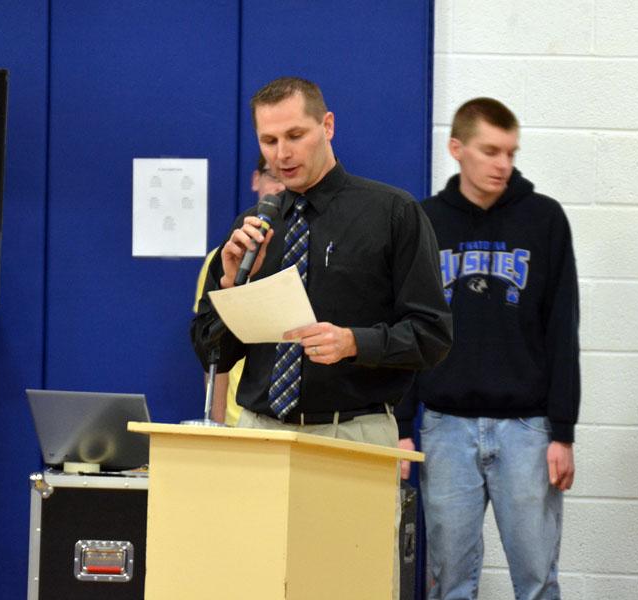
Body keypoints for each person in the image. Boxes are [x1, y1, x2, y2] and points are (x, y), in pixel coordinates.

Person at [191, 76, 452, 596]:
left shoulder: (393, 214)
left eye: (296, 135)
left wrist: (355, 342)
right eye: (269, 142)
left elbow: (432, 335)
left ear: (327, 126)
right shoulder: (252, 227)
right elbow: (212, 350)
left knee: (348, 587)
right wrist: (230, 283)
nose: (282, 154)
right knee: (253, 584)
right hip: (263, 433)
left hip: (349, 435)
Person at [396, 97, 580, 599]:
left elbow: (563, 329)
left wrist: (562, 431)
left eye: (511, 153)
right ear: (457, 149)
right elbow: (407, 329)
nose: (503, 164)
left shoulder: (544, 220)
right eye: (491, 151)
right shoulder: (425, 220)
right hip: (444, 428)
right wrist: (401, 427)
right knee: (448, 581)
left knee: (537, 581)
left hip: (528, 429)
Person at [193, 155, 285, 425]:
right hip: (241, 417)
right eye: (272, 176)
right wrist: (217, 424)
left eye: (286, 177)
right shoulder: (223, 258)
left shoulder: (301, 254)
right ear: (256, 180)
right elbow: (214, 350)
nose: (279, 187)